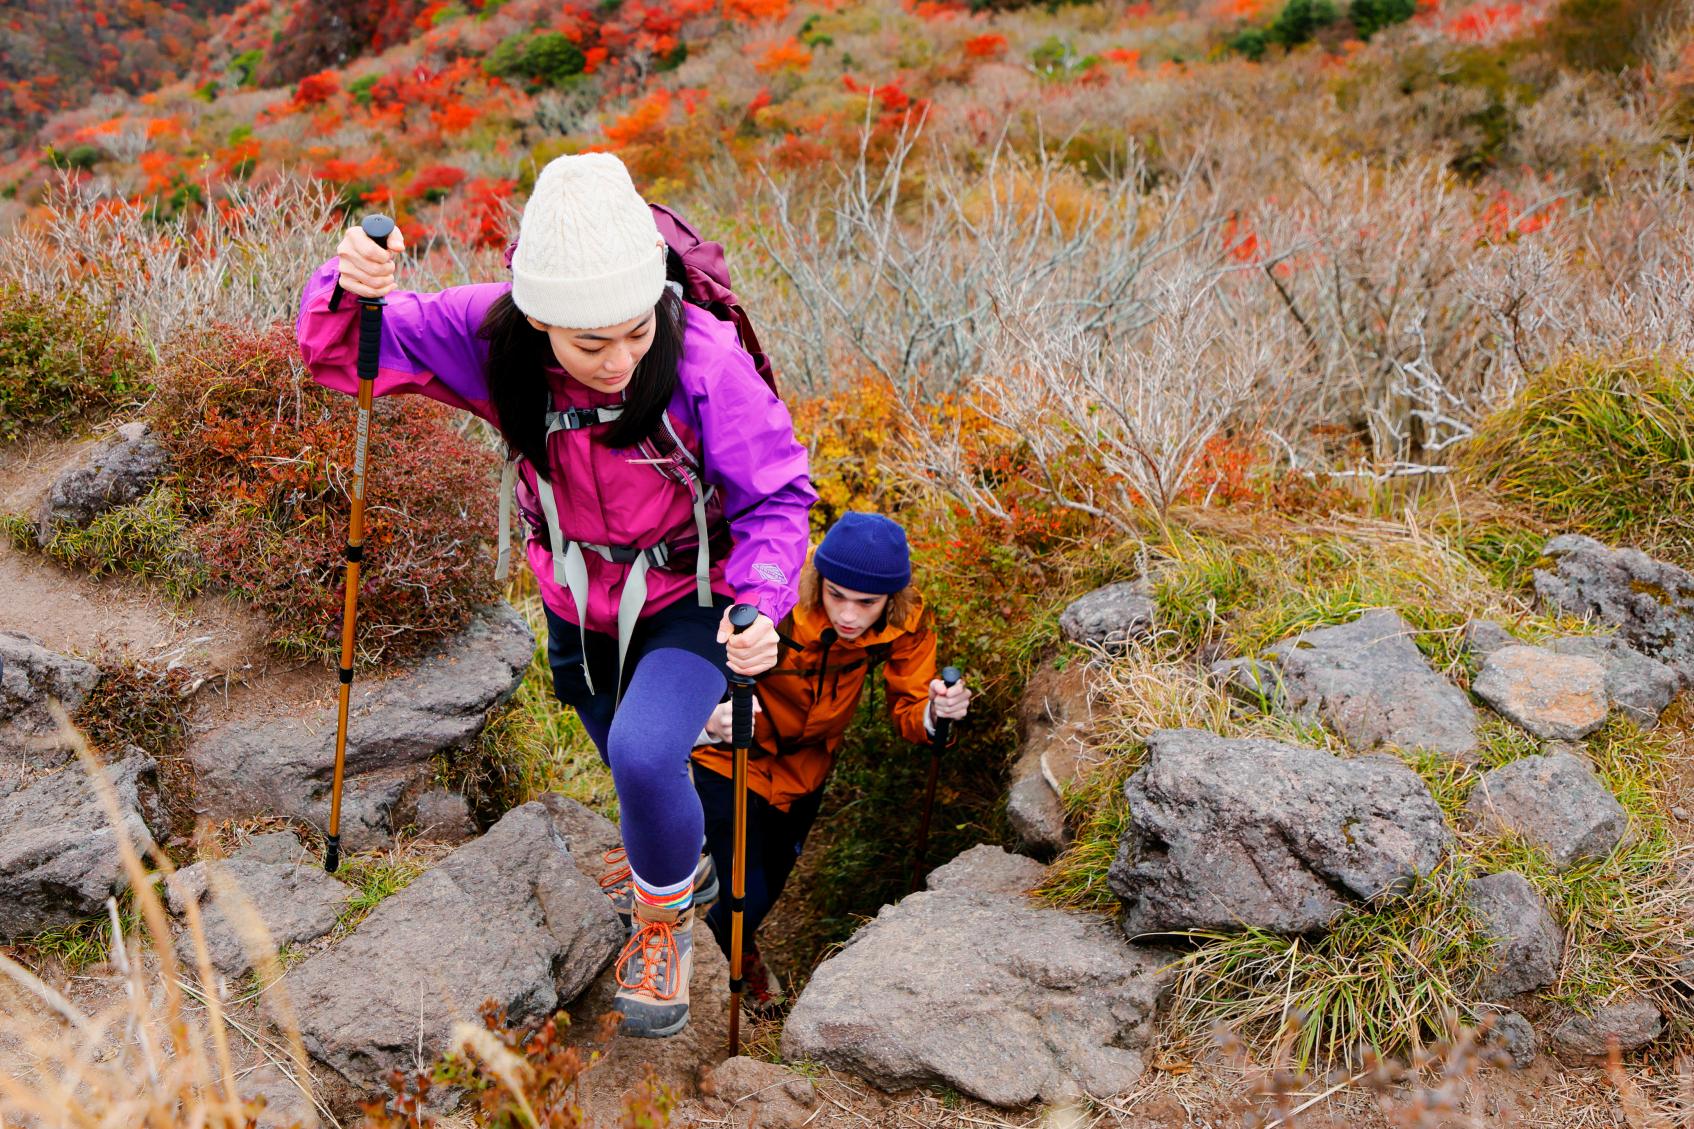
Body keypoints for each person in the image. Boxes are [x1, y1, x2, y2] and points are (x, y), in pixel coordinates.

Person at [297, 153, 815, 1039]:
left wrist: (762, 604)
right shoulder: (491, 335)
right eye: (590, 343)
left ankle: (663, 924)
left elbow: (777, 495)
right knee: (618, 742)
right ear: (538, 318)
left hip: (694, 588)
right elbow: (347, 353)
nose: (619, 360)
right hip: (575, 590)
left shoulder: (701, 360)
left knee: (647, 754)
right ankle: (674, 856)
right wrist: (348, 287)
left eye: (635, 331)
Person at [687, 512, 971, 1012]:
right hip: (732, 757)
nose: (848, 615)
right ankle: (701, 979)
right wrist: (710, 714)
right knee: (741, 890)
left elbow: (909, 707)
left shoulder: (905, 624)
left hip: (806, 772)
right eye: (837, 594)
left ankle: (732, 950)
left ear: (890, 599)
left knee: (767, 887)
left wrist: (935, 713)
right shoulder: (779, 601)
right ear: (819, 578)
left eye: (866, 603)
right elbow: (702, 652)